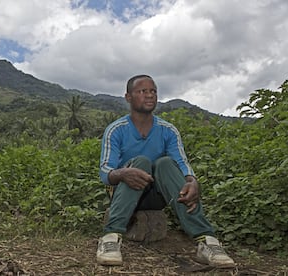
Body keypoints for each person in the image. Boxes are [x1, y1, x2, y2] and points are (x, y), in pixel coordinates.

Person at [96, 74, 235, 268]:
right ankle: (110, 238)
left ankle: (207, 242)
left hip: (156, 195)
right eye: (142, 91)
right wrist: (123, 173)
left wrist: (192, 181)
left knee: (166, 163)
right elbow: (105, 172)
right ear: (128, 97)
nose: (150, 95)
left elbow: (181, 162)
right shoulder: (116, 130)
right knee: (141, 162)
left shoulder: (167, 130)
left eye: (153, 91)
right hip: (123, 193)